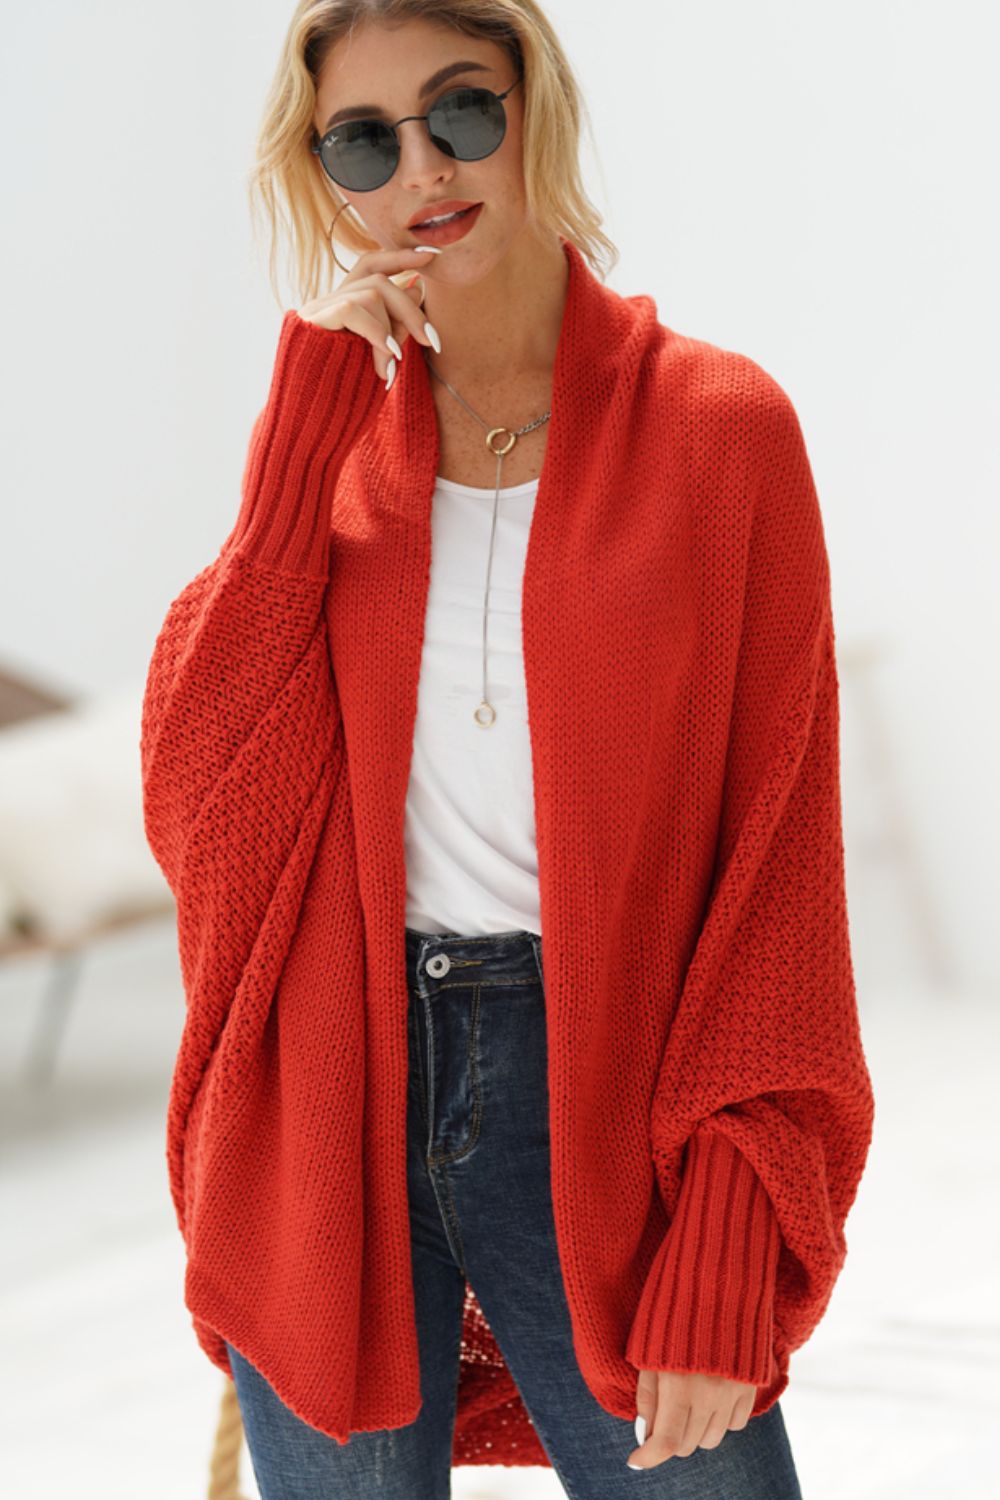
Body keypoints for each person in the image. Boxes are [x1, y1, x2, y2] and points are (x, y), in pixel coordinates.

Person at [139, 2, 876, 1497]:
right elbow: (198, 793)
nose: (423, 167)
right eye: (364, 142)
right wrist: (302, 430)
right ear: (324, 176)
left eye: (462, 109)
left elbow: (778, 871)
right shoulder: (333, 447)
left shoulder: (722, 432)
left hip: (606, 1101)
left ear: (536, 104)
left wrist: (729, 1230)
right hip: (330, 1102)